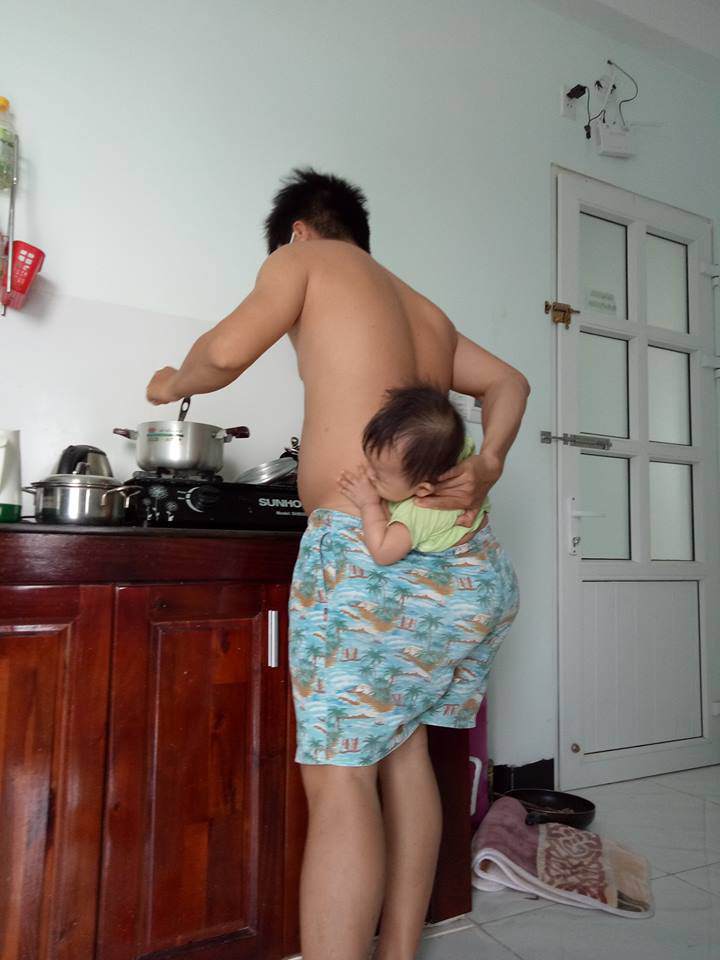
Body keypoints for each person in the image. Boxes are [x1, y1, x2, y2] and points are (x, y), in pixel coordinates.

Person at [146, 167, 530, 960]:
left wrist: (171, 383)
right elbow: (510, 383)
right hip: (466, 558)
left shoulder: (305, 259)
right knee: (405, 751)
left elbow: (224, 352)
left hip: (367, 552)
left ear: (297, 232)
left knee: (341, 773)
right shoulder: (426, 310)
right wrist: (488, 462)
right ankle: (398, 952)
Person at [338, 383, 491, 563]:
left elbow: (383, 553)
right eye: (370, 461)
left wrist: (369, 504)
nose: (369, 474)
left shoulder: (420, 511)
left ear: (422, 489)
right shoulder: (457, 451)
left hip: (456, 561)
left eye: (379, 475)